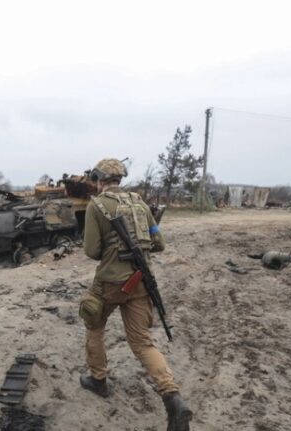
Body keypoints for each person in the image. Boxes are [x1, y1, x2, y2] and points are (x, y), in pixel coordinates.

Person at [79, 158, 192, 431]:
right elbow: (159, 243)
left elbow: (92, 251)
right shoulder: (141, 204)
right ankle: (172, 397)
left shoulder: (97, 206)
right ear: (120, 178)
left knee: (94, 325)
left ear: (99, 179)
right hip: (141, 281)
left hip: (110, 283)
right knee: (142, 342)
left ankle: (98, 379)